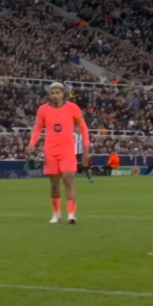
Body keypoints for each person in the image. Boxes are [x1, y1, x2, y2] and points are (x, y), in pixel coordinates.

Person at [27, 82, 90, 225]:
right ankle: (56, 214)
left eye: (57, 93)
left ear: (63, 94)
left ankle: (71, 215)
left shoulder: (72, 108)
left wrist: (86, 149)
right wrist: (32, 143)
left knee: (68, 179)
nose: (55, 95)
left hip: (67, 149)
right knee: (54, 183)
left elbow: (83, 128)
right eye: (52, 93)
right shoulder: (43, 109)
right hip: (51, 150)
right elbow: (38, 128)